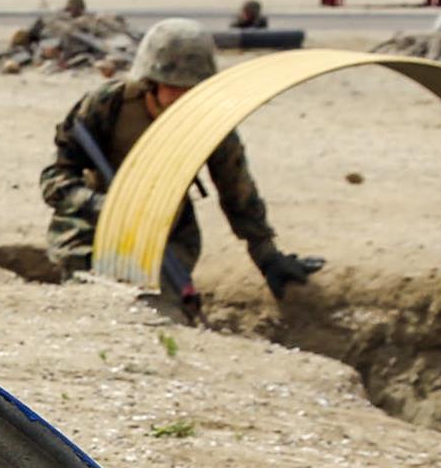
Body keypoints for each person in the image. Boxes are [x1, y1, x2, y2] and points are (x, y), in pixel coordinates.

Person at [39, 17, 323, 299]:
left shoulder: (210, 121)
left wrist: (267, 256)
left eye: (193, 88)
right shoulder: (107, 105)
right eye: (173, 86)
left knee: (159, 304)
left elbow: (237, 191)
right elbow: (54, 179)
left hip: (166, 234)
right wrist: (105, 206)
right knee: (94, 299)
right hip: (91, 231)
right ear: (151, 82)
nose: (183, 96)